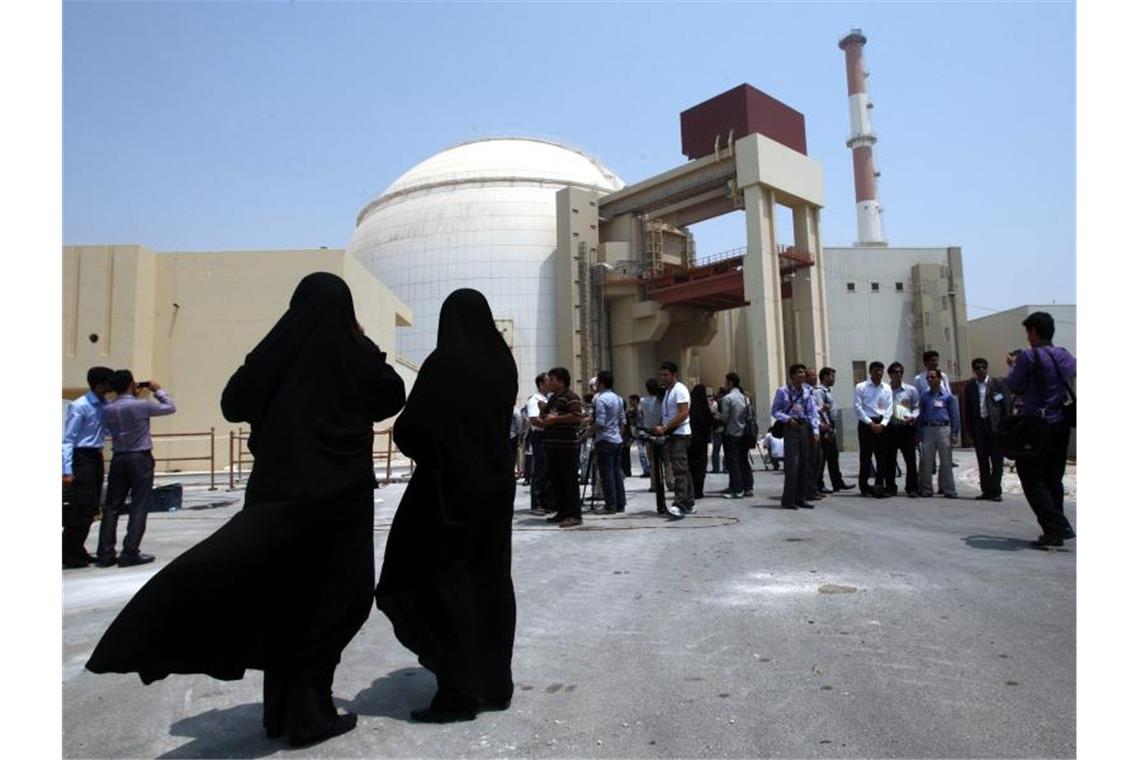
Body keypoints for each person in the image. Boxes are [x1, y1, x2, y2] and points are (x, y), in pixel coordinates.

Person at [87, 272, 406, 748]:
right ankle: (308, 711)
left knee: (282, 597)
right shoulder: (355, 354)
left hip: (277, 494)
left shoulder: (275, 351)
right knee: (336, 600)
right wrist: (366, 349)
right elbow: (392, 396)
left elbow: (233, 403)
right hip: (338, 504)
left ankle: (283, 710)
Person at [376, 287, 517, 722]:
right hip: (494, 489)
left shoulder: (444, 364)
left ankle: (458, 691)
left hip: (447, 491)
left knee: (444, 582)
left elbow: (410, 429)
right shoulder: (502, 363)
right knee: (490, 580)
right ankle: (495, 681)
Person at [1004, 311, 1076, 548]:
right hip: (1061, 423)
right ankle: (1053, 531)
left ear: (1034, 331)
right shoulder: (1064, 355)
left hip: (1037, 425)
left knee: (1030, 475)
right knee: (1054, 477)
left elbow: (1014, 385)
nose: (1028, 337)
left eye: (1028, 332)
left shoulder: (1028, 356)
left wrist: (1014, 366)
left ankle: (1057, 525)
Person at [95, 370, 177, 567]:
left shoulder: (108, 408)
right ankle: (130, 551)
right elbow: (169, 407)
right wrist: (157, 390)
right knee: (139, 505)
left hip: (119, 457)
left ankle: (105, 553)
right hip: (139, 457)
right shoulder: (141, 405)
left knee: (112, 506)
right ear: (131, 384)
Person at [62, 366, 114, 568]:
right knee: (80, 506)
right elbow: (68, 440)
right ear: (100, 384)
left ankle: (78, 548)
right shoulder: (80, 406)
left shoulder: (104, 405)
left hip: (95, 457)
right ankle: (68, 551)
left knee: (91, 506)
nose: (111, 386)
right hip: (81, 457)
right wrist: (67, 470)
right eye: (109, 383)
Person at [541, 366, 586, 528]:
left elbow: (577, 416)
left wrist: (555, 419)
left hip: (566, 447)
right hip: (552, 446)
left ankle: (574, 515)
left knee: (569, 481)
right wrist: (543, 413)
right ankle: (562, 511)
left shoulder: (570, 397)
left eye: (552, 380)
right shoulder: (553, 399)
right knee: (557, 481)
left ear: (561, 381)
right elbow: (545, 416)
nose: (549, 383)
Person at [771, 364, 820, 509]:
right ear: (792, 375)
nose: (802, 375)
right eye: (799, 372)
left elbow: (812, 412)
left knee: (805, 464)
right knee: (793, 465)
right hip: (791, 428)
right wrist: (788, 419)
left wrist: (815, 430)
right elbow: (775, 411)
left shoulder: (807, 392)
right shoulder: (783, 391)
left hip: (804, 427)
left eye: (804, 372)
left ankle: (801, 497)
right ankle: (788, 500)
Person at [964, 357, 1012, 502]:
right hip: (979, 427)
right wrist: (970, 429)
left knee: (997, 460)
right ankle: (986, 491)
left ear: (987, 368)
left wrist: (1006, 426)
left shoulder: (997, 384)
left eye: (983, 367)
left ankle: (996, 491)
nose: (981, 370)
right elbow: (967, 409)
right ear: (974, 370)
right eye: (978, 368)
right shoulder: (971, 386)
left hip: (995, 427)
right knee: (982, 461)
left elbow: (1006, 405)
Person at [654, 361, 693, 518]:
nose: (662, 378)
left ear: (674, 374)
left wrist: (665, 428)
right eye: (661, 374)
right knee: (683, 469)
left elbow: (683, 413)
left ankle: (680, 504)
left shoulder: (680, 390)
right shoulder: (668, 391)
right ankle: (690, 502)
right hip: (672, 434)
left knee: (679, 470)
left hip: (679, 434)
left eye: (666, 375)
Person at [917, 369, 960, 498]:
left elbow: (954, 416)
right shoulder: (925, 397)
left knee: (946, 460)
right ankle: (926, 488)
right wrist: (919, 433)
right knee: (926, 460)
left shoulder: (948, 397)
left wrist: (954, 433)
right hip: (928, 429)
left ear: (939, 379)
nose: (930, 380)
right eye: (928, 378)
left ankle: (949, 489)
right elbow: (920, 415)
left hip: (943, 429)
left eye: (933, 377)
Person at [853, 361, 893, 498]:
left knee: (882, 457)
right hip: (866, 424)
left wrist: (883, 424)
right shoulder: (861, 387)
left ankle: (879, 485)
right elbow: (858, 407)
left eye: (881, 370)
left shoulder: (886, 388)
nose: (879, 373)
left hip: (882, 424)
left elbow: (889, 408)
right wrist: (870, 424)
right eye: (876, 370)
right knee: (865, 456)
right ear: (870, 372)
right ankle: (864, 486)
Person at [589, 370, 627, 513]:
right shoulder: (618, 398)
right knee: (616, 472)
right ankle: (620, 503)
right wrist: (619, 435)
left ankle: (610, 505)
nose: (595, 386)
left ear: (602, 383)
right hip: (616, 439)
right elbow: (623, 420)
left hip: (604, 440)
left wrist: (588, 432)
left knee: (607, 474)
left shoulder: (600, 399)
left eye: (597, 383)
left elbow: (599, 422)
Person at [884, 362, 920, 498]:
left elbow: (916, 407)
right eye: (895, 372)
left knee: (910, 460)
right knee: (889, 460)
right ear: (890, 374)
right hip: (890, 428)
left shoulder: (910, 390)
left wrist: (913, 417)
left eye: (900, 372)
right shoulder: (885, 390)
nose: (898, 374)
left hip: (906, 428)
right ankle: (890, 487)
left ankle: (912, 488)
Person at [815, 368, 853, 493]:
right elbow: (821, 410)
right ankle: (819, 484)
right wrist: (827, 426)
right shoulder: (820, 392)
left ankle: (837, 482)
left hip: (830, 426)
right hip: (825, 427)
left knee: (832, 456)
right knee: (824, 457)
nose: (834, 379)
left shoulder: (828, 392)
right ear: (825, 377)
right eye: (832, 376)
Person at [720, 372, 755, 498]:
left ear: (730, 382)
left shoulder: (727, 399)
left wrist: (716, 414)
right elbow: (750, 416)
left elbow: (724, 418)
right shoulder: (745, 398)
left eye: (725, 382)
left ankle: (737, 489)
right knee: (744, 461)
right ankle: (748, 487)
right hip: (744, 434)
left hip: (731, 433)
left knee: (733, 462)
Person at [525, 373, 552, 515]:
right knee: (540, 470)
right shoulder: (534, 400)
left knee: (548, 470)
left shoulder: (549, 399)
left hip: (549, 436)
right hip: (540, 436)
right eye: (548, 381)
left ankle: (546, 501)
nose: (551, 383)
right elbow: (534, 420)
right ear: (541, 384)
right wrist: (551, 424)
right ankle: (536, 503)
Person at [687, 384, 714, 499]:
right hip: (702, 442)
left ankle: (690, 490)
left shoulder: (689, 407)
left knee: (691, 466)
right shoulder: (704, 408)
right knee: (701, 467)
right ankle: (698, 490)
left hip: (690, 440)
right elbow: (710, 422)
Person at [803, 368, 824, 502]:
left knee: (818, 461)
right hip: (808, 430)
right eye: (811, 376)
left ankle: (814, 487)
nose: (814, 378)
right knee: (810, 462)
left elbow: (814, 411)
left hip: (816, 429)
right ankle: (808, 490)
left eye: (815, 376)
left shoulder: (813, 391)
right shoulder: (804, 392)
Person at [627, 394, 651, 477]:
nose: (629, 402)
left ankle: (650, 469)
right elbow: (633, 423)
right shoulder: (632, 411)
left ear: (635, 400)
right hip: (638, 432)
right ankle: (646, 470)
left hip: (645, 431)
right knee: (641, 453)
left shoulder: (642, 409)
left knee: (648, 452)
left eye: (631, 400)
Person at [709, 388, 726, 474]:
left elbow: (712, 413)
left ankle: (716, 468)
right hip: (726, 429)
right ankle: (725, 468)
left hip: (718, 429)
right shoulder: (727, 402)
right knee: (726, 450)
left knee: (716, 450)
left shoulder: (717, 403)